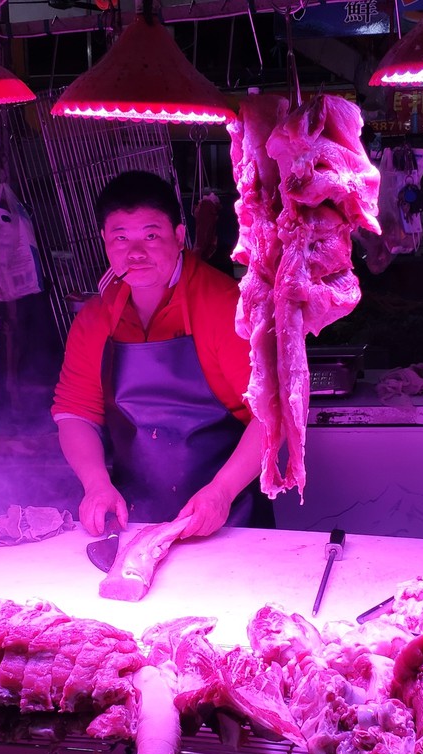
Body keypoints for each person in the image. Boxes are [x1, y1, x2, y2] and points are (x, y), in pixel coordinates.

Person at [51, 170, 274, 538]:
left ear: (179, 236)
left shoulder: (225, 306)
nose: (135, 253)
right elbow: (76, 413)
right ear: (104, 240)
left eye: (151, 235)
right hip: (132, 522)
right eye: (121, 238)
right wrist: (96, 485)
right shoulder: (96, 318)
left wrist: (221, 492)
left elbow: (271, 415)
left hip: (231, 521)